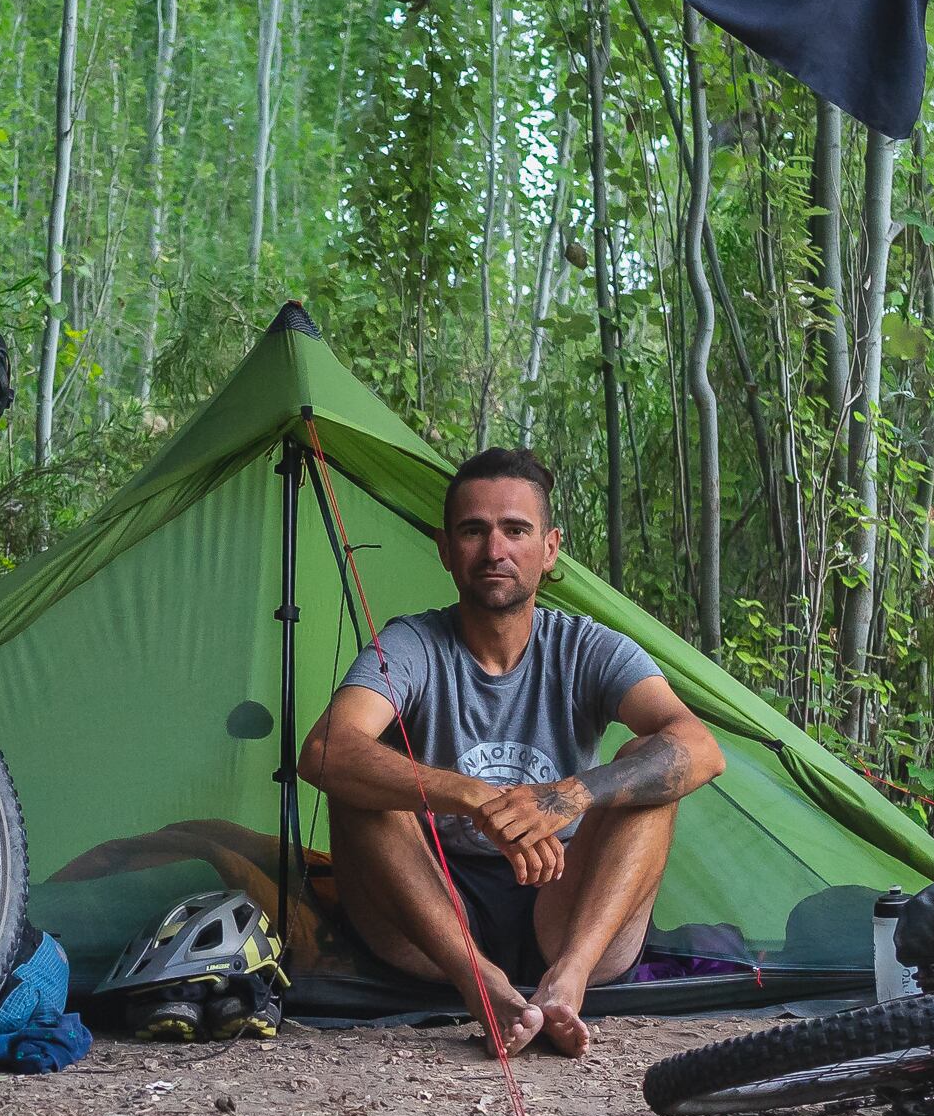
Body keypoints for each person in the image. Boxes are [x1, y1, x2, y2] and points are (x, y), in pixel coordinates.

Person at [297, 446, 724, 1059]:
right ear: (446, 551)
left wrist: (567, 797)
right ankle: (482, 984)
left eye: (515, 530)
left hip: (568, 903)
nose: (495, 550)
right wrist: (476, 798)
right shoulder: (413, 643)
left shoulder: (588, 648)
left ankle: (567, 983)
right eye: (474, 531)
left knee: (653, 763)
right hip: (435, 919)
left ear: (548, 550)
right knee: (365, 773)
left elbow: (702, 750)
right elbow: (325, 749)